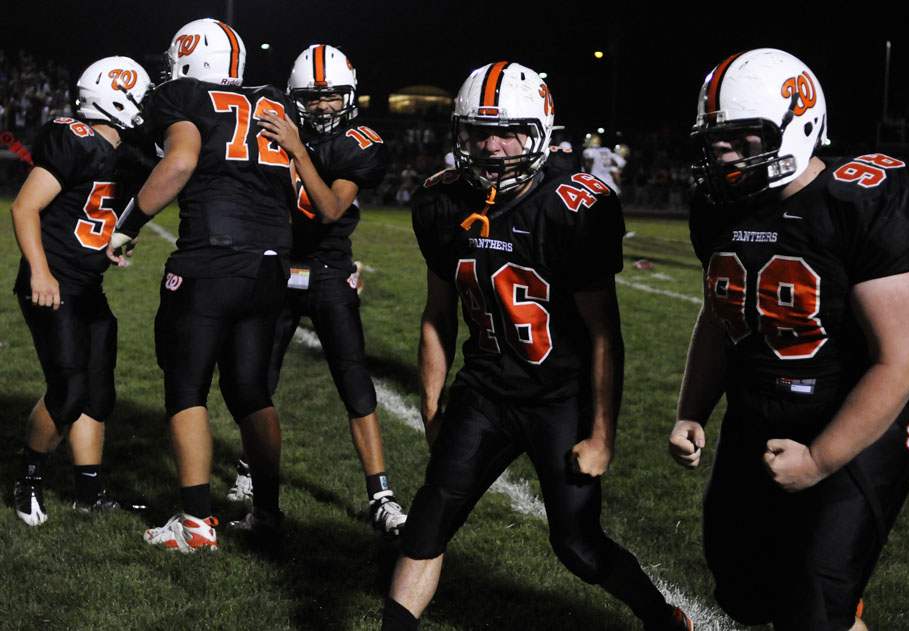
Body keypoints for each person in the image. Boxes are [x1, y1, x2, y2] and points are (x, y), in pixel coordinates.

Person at [381, 61, 692, 631]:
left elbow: (604, 332)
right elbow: (437, 313)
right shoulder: (440, 202)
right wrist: (431, 404)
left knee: (577, 546)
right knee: (426, 523)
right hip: (485, 391)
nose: (494, 147)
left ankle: (661, 617)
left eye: (509, 131)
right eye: (479, 131)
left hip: (559, 398)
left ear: (541, 130)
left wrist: (601, 435)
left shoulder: (574, 205)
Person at [668, 48, 909, 631]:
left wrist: (819, 459)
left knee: (812, 600)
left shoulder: (859, 201)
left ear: (800, 123)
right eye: (714, 143)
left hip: (857, 417)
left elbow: (903, 357)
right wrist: (693, 412)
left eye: (741, 139)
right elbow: (719, 315)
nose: (723, 156)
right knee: (746, 587)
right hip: (756, 412)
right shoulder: (715, 209)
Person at [107, 18, 298, 552]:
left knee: (186, 386)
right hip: (270, 262)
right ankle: (266, 513)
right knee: (250, 390)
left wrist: (127, 225)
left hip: (212, 257)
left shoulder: (183, 96)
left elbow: (183, 159)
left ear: (189, 60)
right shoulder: (269, 101)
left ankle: (194, 524)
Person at [228, 44, 407, 536]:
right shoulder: (272, 125)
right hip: (280, 267)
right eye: (313, 96)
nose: (324, 105)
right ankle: (250, 470)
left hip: (327, 269)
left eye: (333, 96)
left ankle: (381, 494)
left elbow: (328, 209)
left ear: (349, 95)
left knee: (354, 381)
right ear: (295, 97)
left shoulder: (360, 143)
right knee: (259, 380)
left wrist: (297, 150)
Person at [11, 56, 152, 525]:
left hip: (87, 285)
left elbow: (92, 216)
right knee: (68, 390)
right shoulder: (74, 139)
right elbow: (24, 208)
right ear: (117, 96)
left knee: (98, 394)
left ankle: (89, 494)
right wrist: (40, 271)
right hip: (53, 284)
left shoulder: (120, 153)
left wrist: (111, 245)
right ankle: (27, 479)